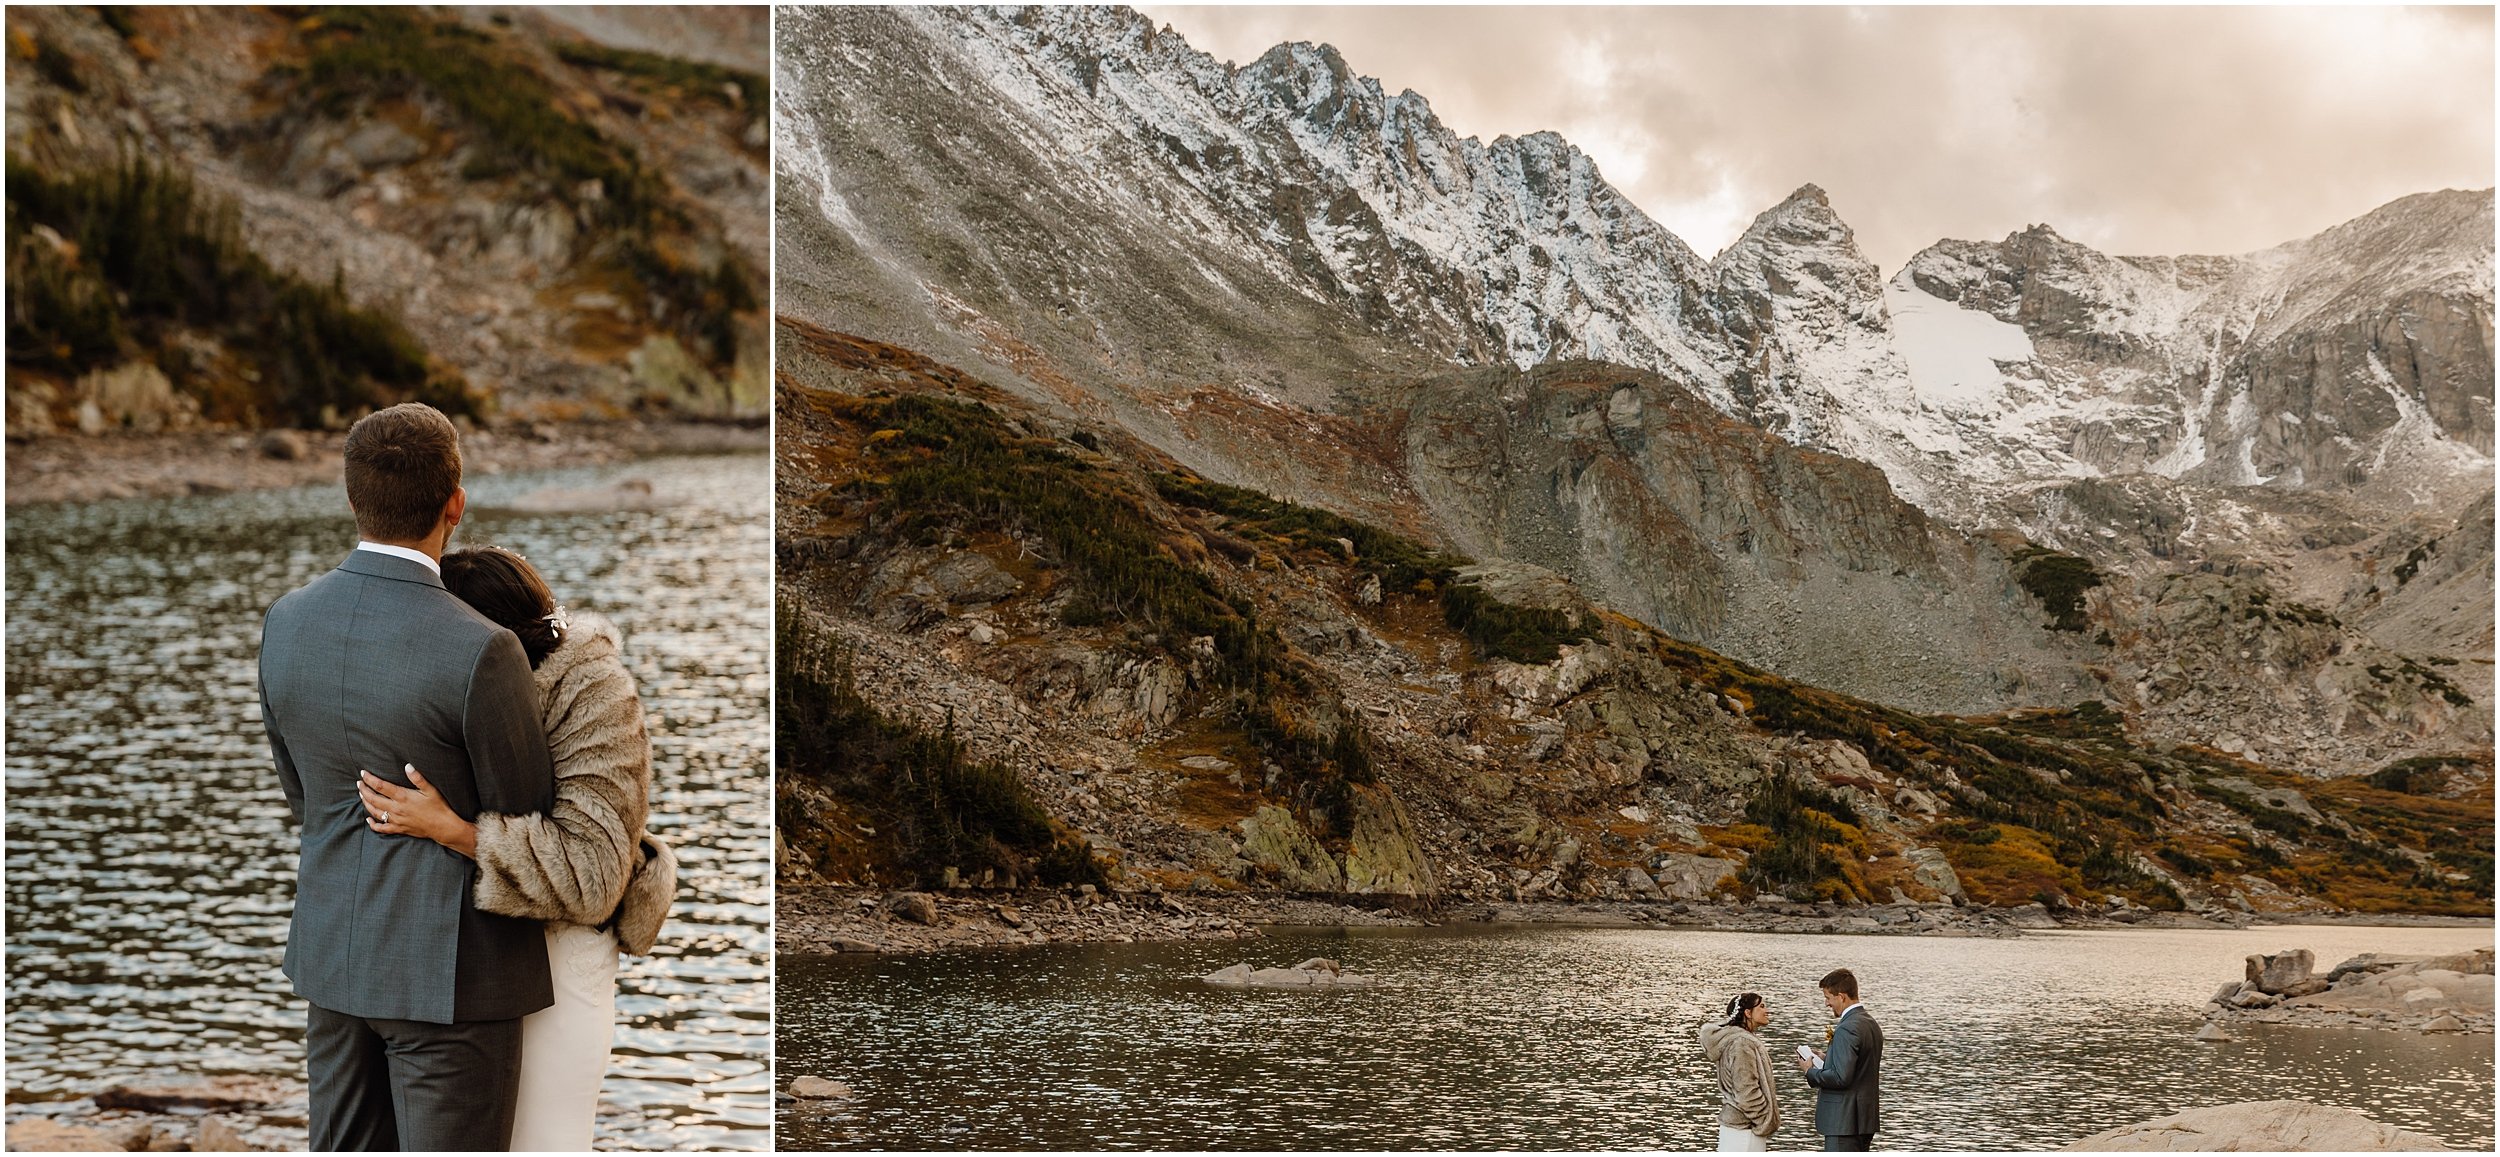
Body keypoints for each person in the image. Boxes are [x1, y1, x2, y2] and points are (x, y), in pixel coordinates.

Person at [258, 403, 555, 1151]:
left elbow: (305, 796)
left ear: (353, 497)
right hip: (451, 978)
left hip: (334, 959)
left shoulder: (286, 621)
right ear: (455, 504)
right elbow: (528, 822)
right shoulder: (483, 649)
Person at [355, 545, 678, 1151]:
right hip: (468, 967)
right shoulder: (433, 691)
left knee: (545, 1142)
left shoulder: (594, 694)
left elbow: (591, 874)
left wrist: (455, 831)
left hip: (564, 959)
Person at [1796, 967, 1884, 1151]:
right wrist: (1827, 1058)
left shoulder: (1847, 1027)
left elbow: (1840, 1077)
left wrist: (1810, 1071)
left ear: (1841, 996)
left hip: (1844, 1121)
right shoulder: (1870, 1022)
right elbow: (1860, 1064)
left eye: (1828, 998)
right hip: (1863, 1119)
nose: (1827, 1004)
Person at [1699, 992, 1780, 1150]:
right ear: (1748, 1013)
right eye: (1762, 1006)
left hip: (1740, 1127)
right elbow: (1746, 1089)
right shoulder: (1742, 1043)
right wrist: (1765, 1118)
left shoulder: (1738, 1039)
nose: (1767, 1010)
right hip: (1744, 1130)